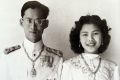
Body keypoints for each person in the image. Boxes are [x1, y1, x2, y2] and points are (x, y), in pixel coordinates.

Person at [0, 1, 63, 80]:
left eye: (38, 21)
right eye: (29, 20)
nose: (33, 27)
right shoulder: (9, 57)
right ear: (21, 22)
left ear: (46, 24)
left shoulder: (57, 59)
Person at [61, 15, 120, 80]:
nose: (90, 39)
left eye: (95, 33)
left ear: (102, 37)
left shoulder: (112, 67)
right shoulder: (68, 65)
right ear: (79, 39)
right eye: (85, 34)